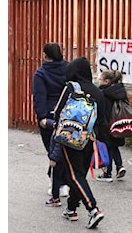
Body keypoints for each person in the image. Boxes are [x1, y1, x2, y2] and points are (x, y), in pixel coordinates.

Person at [51, 56, 108, 229]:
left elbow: (58, 111)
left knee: (74, 175)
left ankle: (93, 209)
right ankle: (71, 209)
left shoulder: (71, 87)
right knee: (79, 174)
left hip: (71, 137)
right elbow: (102, 120)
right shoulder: (98, 92)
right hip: (89, 139)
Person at [32, 43, 70, 204]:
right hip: (67, 114)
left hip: (49, 116)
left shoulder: (41, 73)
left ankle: (59, 183)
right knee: (64, 150)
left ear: (44, 54)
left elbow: (39, 96)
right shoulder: (68, 68)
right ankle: (61, 182)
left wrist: (41, 117)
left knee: (52, 149)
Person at [96, 70, 128, 182]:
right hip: (118, 123)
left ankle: (107, 173)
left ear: (107, 81)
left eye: (100, 79)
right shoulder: (120, 91)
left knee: (107, 148)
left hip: (106, 124)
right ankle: (119, 166)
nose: (98, 81)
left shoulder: (103, 93)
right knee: (114, 146)